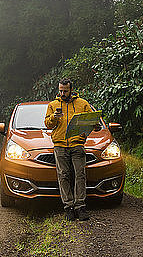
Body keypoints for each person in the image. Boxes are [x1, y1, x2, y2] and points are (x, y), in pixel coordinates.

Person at [44, 78, 100, 221]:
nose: (62, 93)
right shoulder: (53, 105)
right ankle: (68, 206)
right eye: (60, 90)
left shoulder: (83, 103)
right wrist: (53, 117)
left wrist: (96, 125)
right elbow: (47, 124)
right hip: (60, 144)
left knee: (80, 174)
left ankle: (80, 206)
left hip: (77, 144)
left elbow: (92, 121)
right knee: (63, 175)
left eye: (65, 90)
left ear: (71, 90)